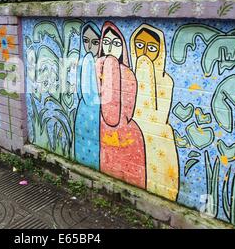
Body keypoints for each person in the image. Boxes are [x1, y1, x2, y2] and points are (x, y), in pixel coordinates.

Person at [130, 24, 179, 201]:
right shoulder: (129, 75)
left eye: (151, 48)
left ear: (160, 51)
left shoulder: (166, 81)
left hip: (158, 139)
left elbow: (160, 117)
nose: (144, 52)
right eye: (140, 46)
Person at [96, 21, 146, 188]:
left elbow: (118, 115)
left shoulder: (127, 74)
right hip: (105, 130)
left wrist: (111, 69)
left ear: (122, 47)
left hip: (127, 134)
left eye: (116, 43)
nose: (110, 48)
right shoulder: (98, 69)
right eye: (107, 43)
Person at [74, 22, 101, 170]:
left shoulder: (101, 64)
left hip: (98, 112)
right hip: (83, 111)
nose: (89, 46)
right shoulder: (84, 61)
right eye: (86, 41)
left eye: (95, 42)